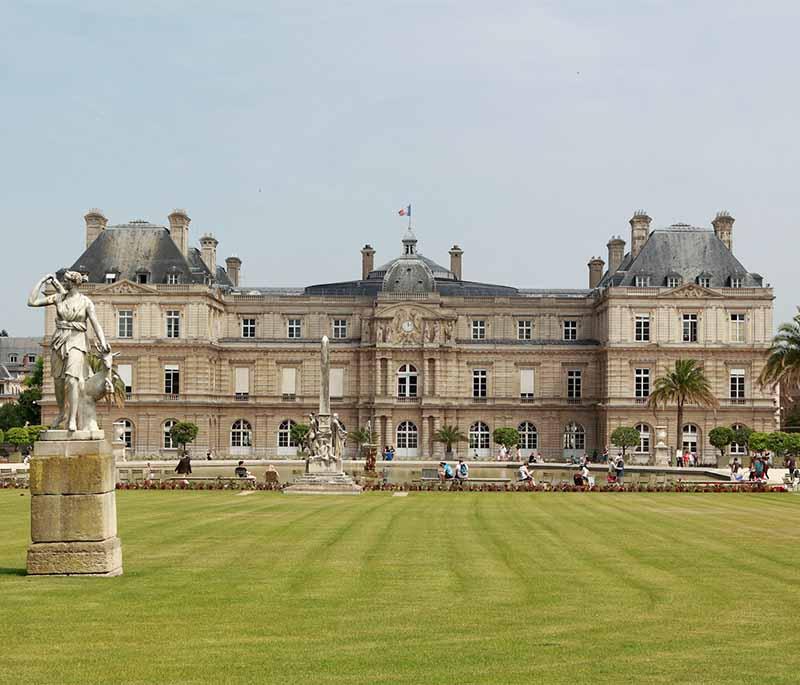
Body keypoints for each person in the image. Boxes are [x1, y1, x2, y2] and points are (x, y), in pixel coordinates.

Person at [27, 270, 111, 432]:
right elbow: (31, 302)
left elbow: (95, 324)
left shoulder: (86, 302)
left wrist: (103, 342)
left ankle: (72, 419)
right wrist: (42, 279)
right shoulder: (58, 298)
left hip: (77, 341)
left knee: (72, 380)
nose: (63, 283)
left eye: (65, 281)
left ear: (72, 283)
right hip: (59, 341)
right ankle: (61, 413)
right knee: (58, 383)